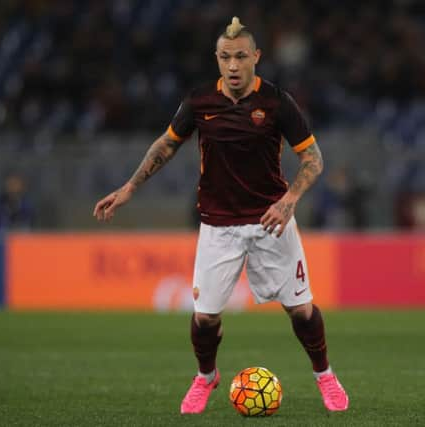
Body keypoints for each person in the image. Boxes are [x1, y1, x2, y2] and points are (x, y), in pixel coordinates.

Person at [93, 17, 349, 414]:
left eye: (241, 57)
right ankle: (206, 377)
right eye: (226, 57)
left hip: (271, 221)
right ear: (217, 59)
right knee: (205, 318)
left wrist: (290, 200)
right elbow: (166, 145)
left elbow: (313, 159)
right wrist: (129, 188)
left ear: (256, 58)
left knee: (301, 309)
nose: (233, 65)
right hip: (218, 226)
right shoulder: (199, 101)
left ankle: (325, 376)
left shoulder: (278, 102)